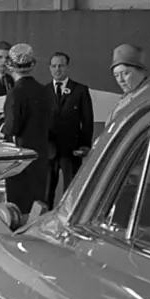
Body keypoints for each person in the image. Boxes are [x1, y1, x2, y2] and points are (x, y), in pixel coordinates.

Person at [1, 43, 55, 216]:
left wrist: (2, 124)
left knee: (19, 210)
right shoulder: (45, 91)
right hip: (40, 155)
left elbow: (12, 127)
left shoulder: (15, 93)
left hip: (20, 158)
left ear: (10, 67)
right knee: (37, 205)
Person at [45, 51, 94, 207]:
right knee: (45, 195)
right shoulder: (43, 91)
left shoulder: (80, 90)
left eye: (61, 66)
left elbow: (87, 121)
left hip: (71, 151)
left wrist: (85, 145)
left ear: (67, 68)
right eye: (53, 66)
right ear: (49, 68)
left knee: (71, 196)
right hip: (49, 152)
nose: (57, 69)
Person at [106, 43, 150, 128]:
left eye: (125, 73)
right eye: (116, 75)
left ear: (140, 71)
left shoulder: (148, 97)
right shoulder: (129, 96)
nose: (121, 80)